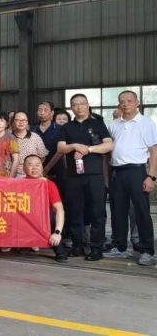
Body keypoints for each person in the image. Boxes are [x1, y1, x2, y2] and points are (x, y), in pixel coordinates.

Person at [57, 93, 113, 261]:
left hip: (94, 176)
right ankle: (78, 246)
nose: (79, 107)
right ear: (71, 108)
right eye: (75, 104)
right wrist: (75, 145)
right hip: (73, 177)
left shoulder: (98, 124)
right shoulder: (67, 127)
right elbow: (61, 148)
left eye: (82, 103)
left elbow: (109, 145)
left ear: (88, 105)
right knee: (75, 212)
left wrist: (88, 149)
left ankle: (96, 248)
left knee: (97, 213)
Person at [106, 90, 156, 266]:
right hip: (116, 172)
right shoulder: (114, 125)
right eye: (122, 101)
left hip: (137, 172)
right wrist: (107, 176)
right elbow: (107, 151)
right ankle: (119, 247)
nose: (125, 104)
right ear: (119, 104)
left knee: (142, 212)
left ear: (137, 103)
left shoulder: (146, 122)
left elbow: (154, 151)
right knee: (118, 211)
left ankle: (147, 251)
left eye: (129, 100)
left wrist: (151, 176)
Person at [23, 154, 68, 263]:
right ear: (24, 168)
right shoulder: (18, 183)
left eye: (37, 165)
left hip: (43, 220)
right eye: (30, 165)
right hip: (26, 218)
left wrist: (57, 232)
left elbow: (59, 209)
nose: (34, 168)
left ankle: (58, 245)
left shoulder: (48, 184)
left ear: (42, 167)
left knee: (51, 216)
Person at [11, 111, 48, 177]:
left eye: (23, 120)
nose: (21, 122)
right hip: (13, 174)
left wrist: (34, 168)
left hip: (32, 174)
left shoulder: (35, 137)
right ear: (13, 122)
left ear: (27, 122)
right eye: (17, 120)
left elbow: (42, 156)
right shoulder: (9, 138)